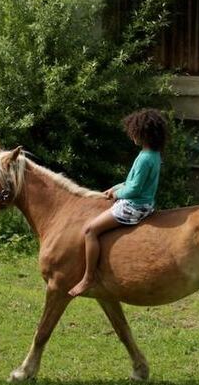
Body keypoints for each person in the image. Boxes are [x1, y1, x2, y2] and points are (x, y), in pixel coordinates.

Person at [68, 108, 167, 297]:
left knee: (90, 230)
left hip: (134, 206)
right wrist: (114, 188)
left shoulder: (145, 158)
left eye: (133, 131)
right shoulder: (153, 154)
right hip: (144, 204)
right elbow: (133, 182)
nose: (131, 135)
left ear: (143, 133)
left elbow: (134, 189)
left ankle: (88, 277)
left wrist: (117, 194)